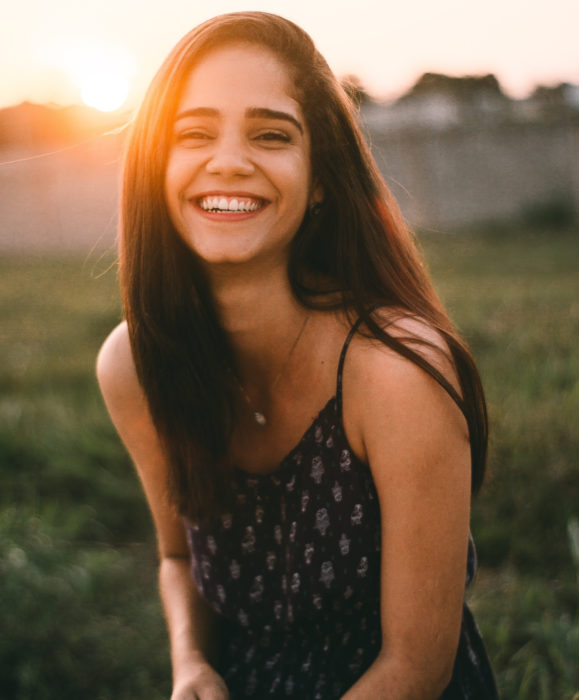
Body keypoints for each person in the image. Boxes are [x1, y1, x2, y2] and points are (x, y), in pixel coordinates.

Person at [97, 11, 498, 699]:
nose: (228, 160)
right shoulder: (136, 363)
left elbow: (416, 669)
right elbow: (175, 555)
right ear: (155, 169)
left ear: (318, 178)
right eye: (193, 134)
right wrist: (191, 664)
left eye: (270, 134)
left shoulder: (396, 375)